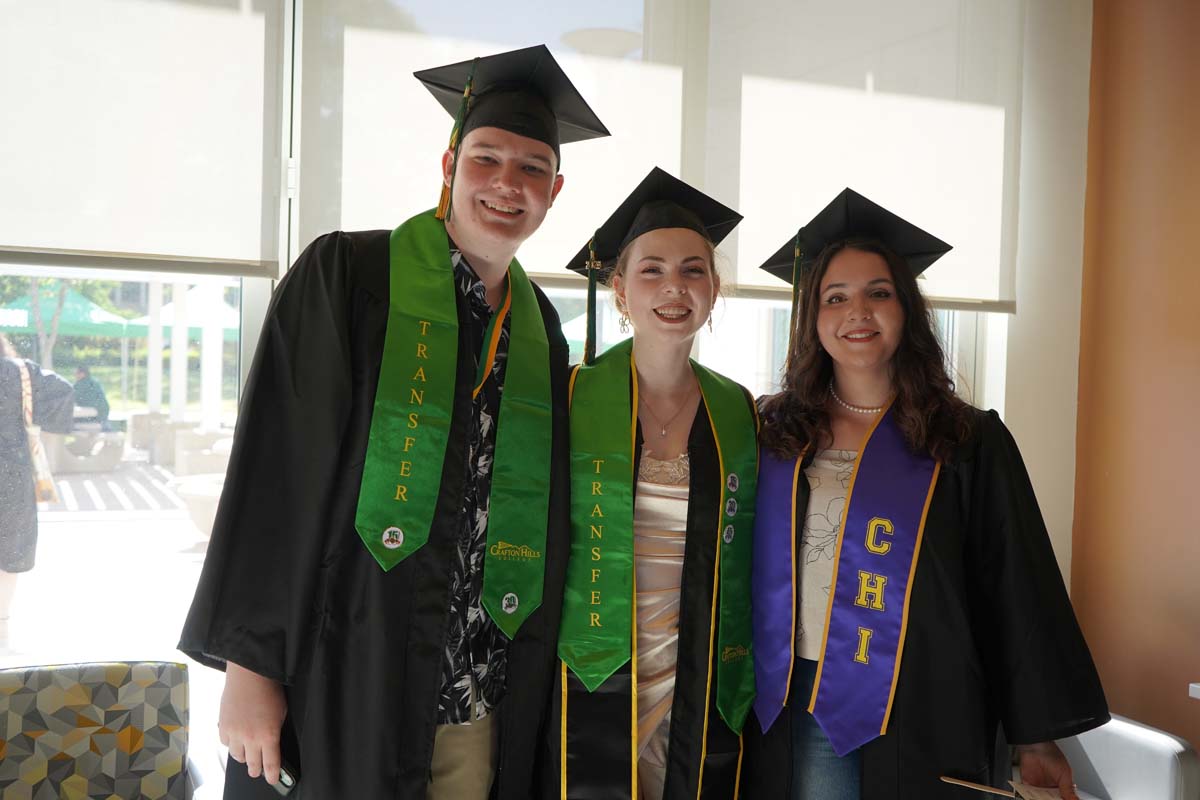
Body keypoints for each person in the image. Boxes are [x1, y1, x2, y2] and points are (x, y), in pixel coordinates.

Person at [178, 45, 609, 799]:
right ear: (449, 165)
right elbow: (278, 473)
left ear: (554, 191)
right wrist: (250, 667)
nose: (507, 183)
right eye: (486, 157)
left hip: (477, 695)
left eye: (532, 168)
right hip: (343, 676)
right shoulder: (348, 276)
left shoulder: (540, 325)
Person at [741, 189, 1109, 799]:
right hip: (797, 695)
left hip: (925, 700)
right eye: (836, 297)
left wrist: (1037, 738)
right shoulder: (773, 432)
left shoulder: (965, 439)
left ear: (906, 309)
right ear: (812, 317)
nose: (858, 312)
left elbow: (1014, 585)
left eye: (879, 293)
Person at [547, 168, 758, 799]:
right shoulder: (570, 395)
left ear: (714, 289)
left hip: (698, 665)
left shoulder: (740, 411)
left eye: (694, 270)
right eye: (652, 270)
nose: (674, 286)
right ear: (619, 289)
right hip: (590, 658)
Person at [0, 333, 73, 629]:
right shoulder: (21, 372)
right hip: (12, 474)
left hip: (13, 474)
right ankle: (2, 617)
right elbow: (63, 390)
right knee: (10, 549)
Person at [72, 365, 110, 429]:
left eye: (76, 373)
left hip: (93, 412)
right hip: (104, 409)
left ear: (82, 374)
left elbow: (72, 398)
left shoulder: (79, 384)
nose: (74, 375)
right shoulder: (94, 381)